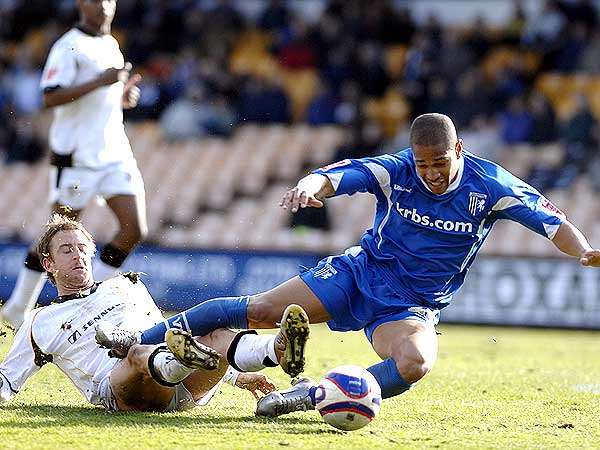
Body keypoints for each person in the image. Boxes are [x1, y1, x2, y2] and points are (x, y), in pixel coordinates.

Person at [98, 113, 600, 417]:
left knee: (417, 362)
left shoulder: (491, 186)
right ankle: (144, 337)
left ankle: (312, 395)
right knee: (261, 309)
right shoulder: (398, 169)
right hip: (359, 272)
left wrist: (582, 251)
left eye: (439, 163)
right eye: (421, 162)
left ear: (459, 151)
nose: (428, 172)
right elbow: (342, 174)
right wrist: (311, 187)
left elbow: (552, 222)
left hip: (412, 305)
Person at [0, 215, 310, 412]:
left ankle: (275, 349)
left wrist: (238, 378)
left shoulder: (126, 285)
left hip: (185, 390)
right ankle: (175, 363)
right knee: (136, 351)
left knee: (215, 336)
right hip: (125, 390)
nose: (77, 255)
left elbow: (167, 334)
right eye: (66, 250)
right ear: (48, 264)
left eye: (82, 248)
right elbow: (7, 381)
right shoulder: (39, 322)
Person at [1, 0, 146, 329]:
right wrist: (101, 82)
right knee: (58, 232)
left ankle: (93, 302)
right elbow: (50, 96)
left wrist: (121, 98)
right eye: (96, 0)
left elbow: (102, 98)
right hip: (77, 157)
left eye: (109, 0)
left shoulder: (111, 44)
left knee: (134, 229)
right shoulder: (68, 46)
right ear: (81, 3)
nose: (104, 6)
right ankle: (18, 305)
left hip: (114, 153)